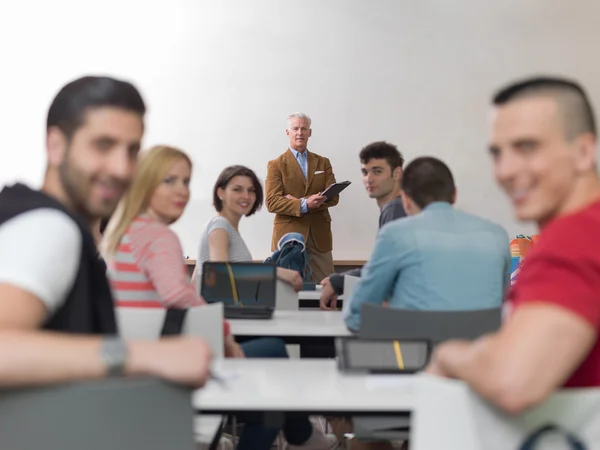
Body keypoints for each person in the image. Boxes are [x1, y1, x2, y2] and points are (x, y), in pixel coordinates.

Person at [104, 149, 336, 450]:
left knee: (269, 396)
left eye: (186, 182)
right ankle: (302, 435)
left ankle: (300, 434)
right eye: (169, 181)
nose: (181, 191)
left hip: (149, 354)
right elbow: (194, 287)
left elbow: (190, 285)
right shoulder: (165, 236)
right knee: (273, 379)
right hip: (171, 356)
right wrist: (226, 339)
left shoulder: (126, 232)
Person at [0, 76, 211, 388]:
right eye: (103, 145)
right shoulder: (50, 230)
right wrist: (145, 356)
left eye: (132, 151)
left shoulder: (27, 214)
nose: (121, 168)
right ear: (55, 145)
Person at [426, 76, 600, 414]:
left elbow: (513, 382)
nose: (504, 171)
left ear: (583, 152)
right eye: (497, 153)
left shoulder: (575, 240)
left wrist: (450, 355)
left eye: (527, 148)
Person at [345, 156, 510, 331]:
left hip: (413, 355)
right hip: (481, 354)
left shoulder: (395, 235)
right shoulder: (496, 235)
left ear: (405, 200)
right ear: (454, 194)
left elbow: (355, 316)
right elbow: (504, 305)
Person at [320, 141, 407, 309]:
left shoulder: (395, 209)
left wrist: (338, 281)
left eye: (377, 171)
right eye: (365, 172)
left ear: (396, 174)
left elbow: (385, 269)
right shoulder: (398, 207)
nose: (369, 178)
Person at [196, 165, 304, 291]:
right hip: (221, 310)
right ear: (221, 193)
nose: (246, 196)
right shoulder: (220, 225)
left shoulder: (224, 227)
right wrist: (275, 271)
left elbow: (197, 278)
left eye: (251, 190)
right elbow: (221, 277)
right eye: (237, 190)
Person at [265, 112, 339, 282]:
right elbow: (272, 202)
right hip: (288, 238)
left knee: (326, 288)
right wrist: (305, 204)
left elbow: (333, 196)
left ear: (309, 132)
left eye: (304, 128)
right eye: (296, 128)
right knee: (287, 292)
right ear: (287, 132)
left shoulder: (323, 162)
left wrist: (296, 201)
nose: (300, 132)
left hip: (319, 237)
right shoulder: (275, 165)